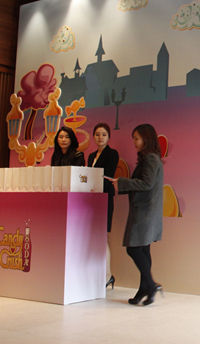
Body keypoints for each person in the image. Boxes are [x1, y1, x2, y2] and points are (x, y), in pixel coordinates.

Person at [107, 124, 163, 306]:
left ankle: (151, 285)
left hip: (145, 212)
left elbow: (146, 183)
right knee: (143, 249)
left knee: (134, 249)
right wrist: (122, 184)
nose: (134, 142)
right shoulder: (150, 158)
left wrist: (123, 182)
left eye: (137, 138)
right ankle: (144, 289)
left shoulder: (151, 159)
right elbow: (144, 183)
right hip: (146, 210)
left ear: (146, 138)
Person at [87, 123, 119, 290]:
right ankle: (100, 275)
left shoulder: (112, 154)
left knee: (102, 237)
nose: (100, 137)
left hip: (104, 198)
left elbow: (108, 177)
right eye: (97, 134)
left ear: (108, 137)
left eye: (104, 134)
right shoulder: (91, 156)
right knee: (94, 238)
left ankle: (107, 275)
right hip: (91, 200)